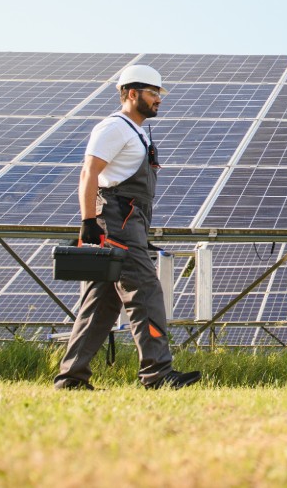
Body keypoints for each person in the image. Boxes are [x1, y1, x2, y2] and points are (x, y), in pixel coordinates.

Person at [54, 63, 201, 390]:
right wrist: (88, 221)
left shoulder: (138, 131)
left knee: (102, 303)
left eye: (159, 94)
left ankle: (71, 378)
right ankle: (157, 373)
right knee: (145, 291)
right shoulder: (114, 128)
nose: (158, 99)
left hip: (128, 224)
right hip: (115, 223)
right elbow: (89, 174)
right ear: (131, 93)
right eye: (152, 93)